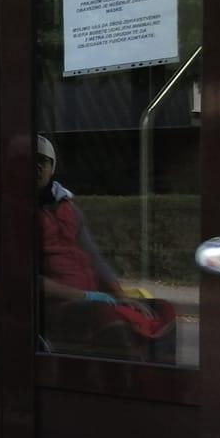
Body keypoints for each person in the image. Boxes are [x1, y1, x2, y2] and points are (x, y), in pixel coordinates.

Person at [35, 134, 174, 359]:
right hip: (54, 306)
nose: (37, 167)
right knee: (108, 317)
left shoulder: (67, 208)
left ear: (52, 168)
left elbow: (94, 257)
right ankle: (126, 384)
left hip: (89, 298)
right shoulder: (16, 211)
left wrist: (119, 295)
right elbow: (28, 280)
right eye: (31, 162)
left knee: (161, 310)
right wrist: (87, 296)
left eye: (43, 161)